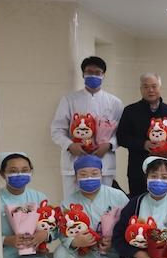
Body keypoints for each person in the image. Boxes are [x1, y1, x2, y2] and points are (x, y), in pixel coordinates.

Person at [55, 155, 129, 258]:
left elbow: (131, 225)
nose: (89, 178)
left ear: (101, 174)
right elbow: (62, 232)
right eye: (83, 174)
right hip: (85, 255)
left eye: (94, 173)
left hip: (112, 254)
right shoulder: (68, 203)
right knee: (61, 253)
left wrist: (115, 241)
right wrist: (75, 242)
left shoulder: (117, 196)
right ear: (75, 177)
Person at [50, 56, 123, 201]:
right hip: (74, 161)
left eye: (97, 72)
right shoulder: (69, 100)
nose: (93, 76)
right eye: (89, 72)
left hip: (104, 161)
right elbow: (57, 130)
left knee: (104, 203)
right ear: (83, 74)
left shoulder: (115, 102)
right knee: (72, 204)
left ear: (103, 75)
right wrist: (70, 145)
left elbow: (122, 132)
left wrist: (109, 145)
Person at [0, 152, 58, 258]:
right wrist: (6, 240)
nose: (19, 174)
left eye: (25, 170)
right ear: (2, 174)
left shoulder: (38, 197)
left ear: (31, 171)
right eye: (13, 171)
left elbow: (54, 226)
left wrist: (44, 235)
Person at [117, 73, 167, 196]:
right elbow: (121, 137)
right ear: (141, 89)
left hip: (163, 169)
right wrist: (143, 144)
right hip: (137, 168)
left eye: (154, 86)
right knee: (137, 200)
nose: (150, 90)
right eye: (146, 87)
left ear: (160, 88)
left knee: (161, 200)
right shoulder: (130, 111)